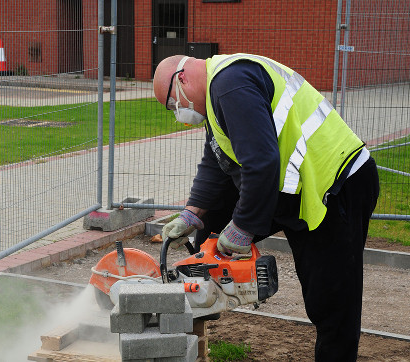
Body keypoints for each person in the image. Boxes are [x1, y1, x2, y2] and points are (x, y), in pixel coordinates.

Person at [153, 53, 379, 361]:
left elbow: (261, 163)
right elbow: (216, 160)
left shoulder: (229, 85)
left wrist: (243, 228)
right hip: (295, 185)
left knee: (331, 297)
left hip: (335, 183)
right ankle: (209, 298)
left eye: (173, 105)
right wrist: (192, 213)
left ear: (182, 80)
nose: (178, 112)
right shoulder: (216, 94)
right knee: (210, 225)